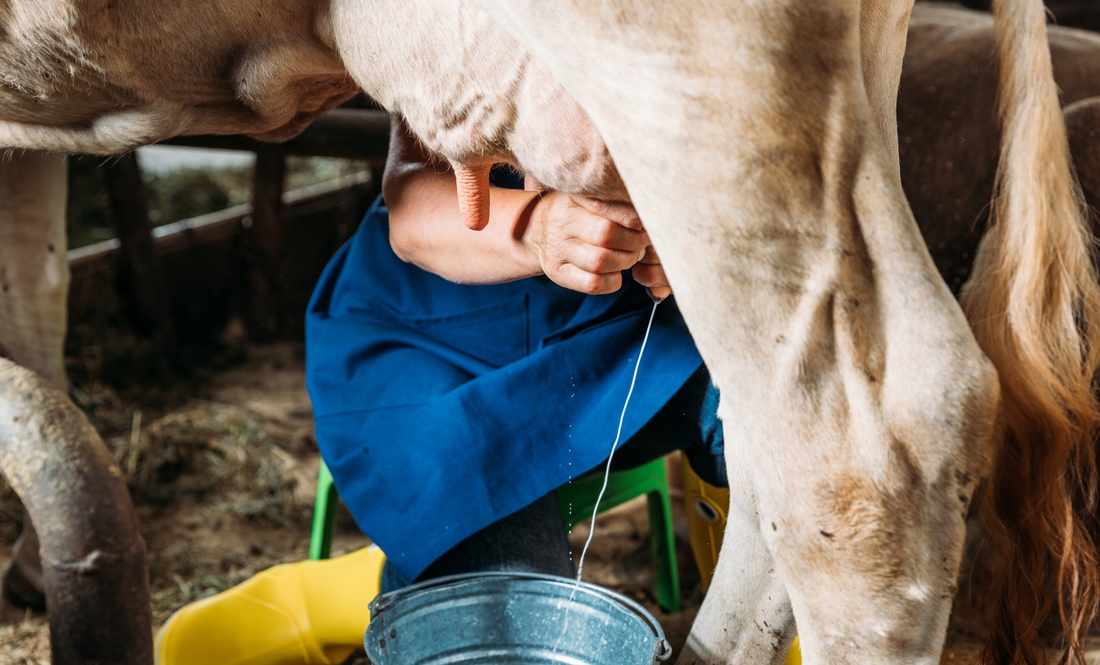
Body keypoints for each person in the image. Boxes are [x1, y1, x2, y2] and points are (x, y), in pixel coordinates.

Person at [305, 117, 727, 590]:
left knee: (765, 409)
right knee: (505, 616)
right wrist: (539, 227)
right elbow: (411, 201)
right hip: (432, 340)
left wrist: (689, 242)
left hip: (624, 331)